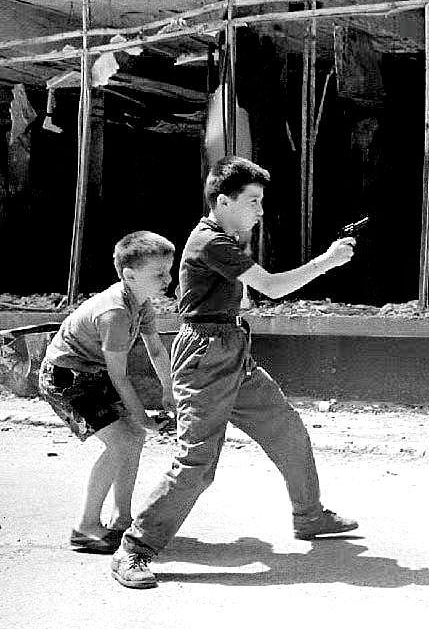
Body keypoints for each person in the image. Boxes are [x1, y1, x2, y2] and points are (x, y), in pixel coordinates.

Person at [112, 156, 360, 589]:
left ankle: (310, 515)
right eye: (252, 201)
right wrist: (328, 260)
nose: (260, 211)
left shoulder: (225, 236)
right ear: (222, 201)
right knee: (197, 464)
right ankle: (135, 549)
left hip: (230, 350)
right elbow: (273, 287)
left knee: (287, 430)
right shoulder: (212, 242)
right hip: (206, 356)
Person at [38, 231, 176, 554]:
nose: (167, 279)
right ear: (129, 276)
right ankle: (85, 527)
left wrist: (168, 390)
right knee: (123, 440)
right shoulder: (115, 313)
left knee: (133, 438)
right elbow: (120, 376)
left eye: (168, 271)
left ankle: (122, 519)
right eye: (159, 274)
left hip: (91, 373)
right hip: (65, 377)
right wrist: (144, 418)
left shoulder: (141, 303)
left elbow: (156, 350)